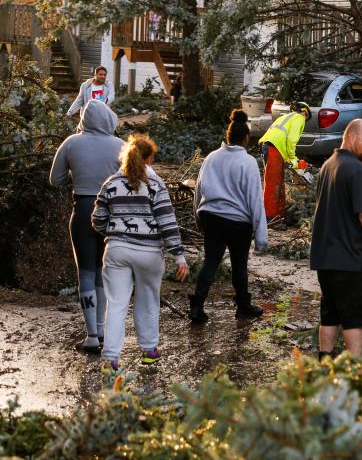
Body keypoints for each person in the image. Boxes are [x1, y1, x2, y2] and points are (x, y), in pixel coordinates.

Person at [92, 135, 188, 369]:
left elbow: (97, 220)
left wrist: (114, 231)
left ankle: (111, 358)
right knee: (147, 301)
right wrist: (179, 256)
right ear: (149, 158)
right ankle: (148, 350)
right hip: (149, 253)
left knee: (116, 304)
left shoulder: (110, 184)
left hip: (117, 251)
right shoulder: (156, 185)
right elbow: (167, 223)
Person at [310, 119, 362, 356]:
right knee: (354, 318)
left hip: (326, 257)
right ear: (352, 137)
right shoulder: (357, 170)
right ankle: (352, 369)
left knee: (330, 313)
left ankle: (325, 362)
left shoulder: (328, 165)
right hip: (349, 258)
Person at [49, 100, 125, 351]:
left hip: (82, 210)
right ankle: (103, 330)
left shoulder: (71, 143)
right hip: (112, 213)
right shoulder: (120, 146)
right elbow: (132, 179)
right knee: (105, 271)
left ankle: (91, 335)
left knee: (86, 272)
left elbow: (55, 179)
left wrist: (78, 173)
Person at [189, 109, 269, 323]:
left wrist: (198, 216)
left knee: (211, 261)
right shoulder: (248, 162)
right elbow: (255, 200)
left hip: (211, 216)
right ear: (246, 138)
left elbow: (199, 189)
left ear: (228, 135)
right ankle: (243, 306)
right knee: (239, 264)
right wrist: (261, 237)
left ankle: (197, 305)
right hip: (237, 222)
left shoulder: (211, 158)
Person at [258, 102, 311, 224]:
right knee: (273, 184)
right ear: (305, 112)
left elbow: (283, 138)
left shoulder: (285, 117)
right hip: (274, 148)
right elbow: (291, 141)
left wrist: (287, 159)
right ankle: (270, 218)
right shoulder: (300, 118)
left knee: (278, 183)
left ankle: (279, 216)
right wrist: (293, 160)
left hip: (270, 146)